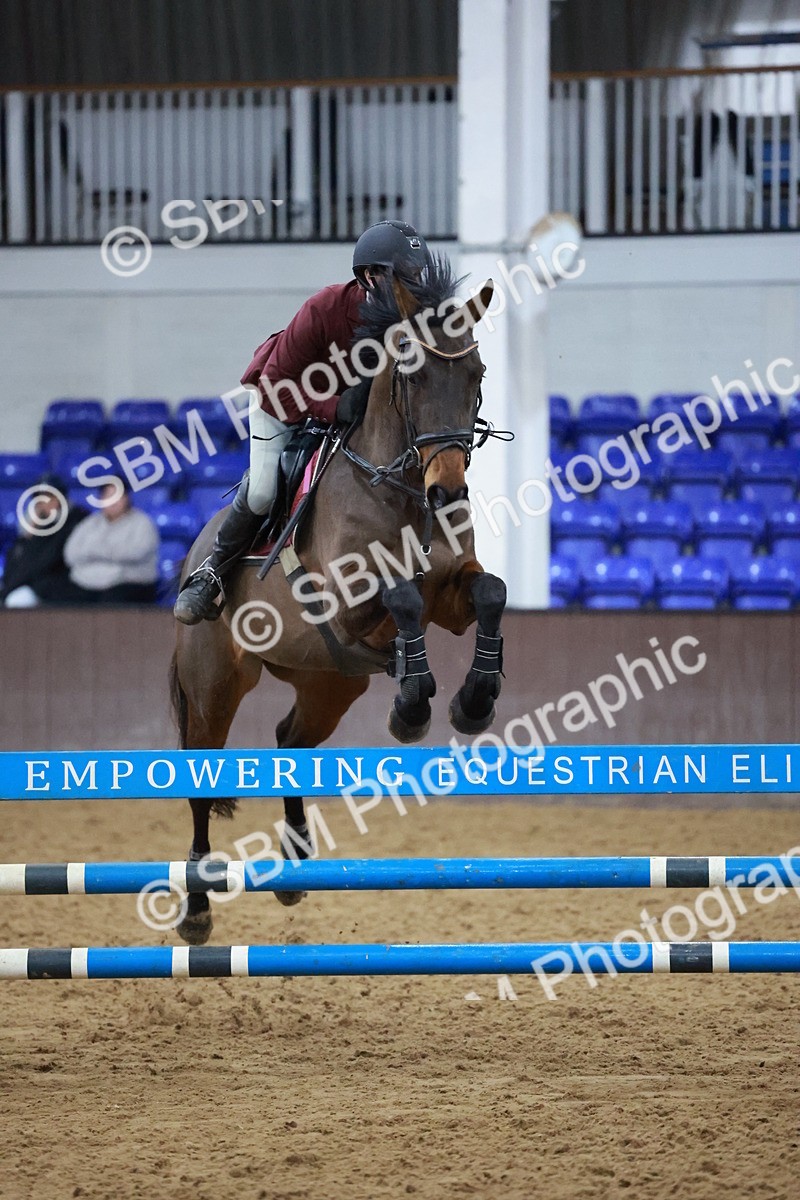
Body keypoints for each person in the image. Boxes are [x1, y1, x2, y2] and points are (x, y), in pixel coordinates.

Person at [174, 219, 429, 625]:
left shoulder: (415, 321)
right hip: (281, 401)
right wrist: (332, 408)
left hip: (355, 418)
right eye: (404, 278)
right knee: (261, 490)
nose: (413, 288)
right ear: (369, 276)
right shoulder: (325, 308)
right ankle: (212, 572)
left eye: (417, 276)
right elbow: (276, 385)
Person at [57, 481, 159, 604]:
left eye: (117, 496)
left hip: (128, 582)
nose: (113, 501)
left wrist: (95, 550)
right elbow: (71, 554)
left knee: (112, 601)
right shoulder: (90, 523)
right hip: (87, 582)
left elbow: (136, 552)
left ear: (127, 498)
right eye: (108, 496)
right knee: (59, 594)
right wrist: (110, 551)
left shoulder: (142, 522)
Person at [1, 474, 88, 607]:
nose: (44, 503)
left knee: (16, 600)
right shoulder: (32, 527)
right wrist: (28, 537)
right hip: (26, 582)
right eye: (40, 498)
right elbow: (15, 561)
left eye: (50, 497)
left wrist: (8, 589)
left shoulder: (74, 522)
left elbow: (45, 562)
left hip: (55, 586)